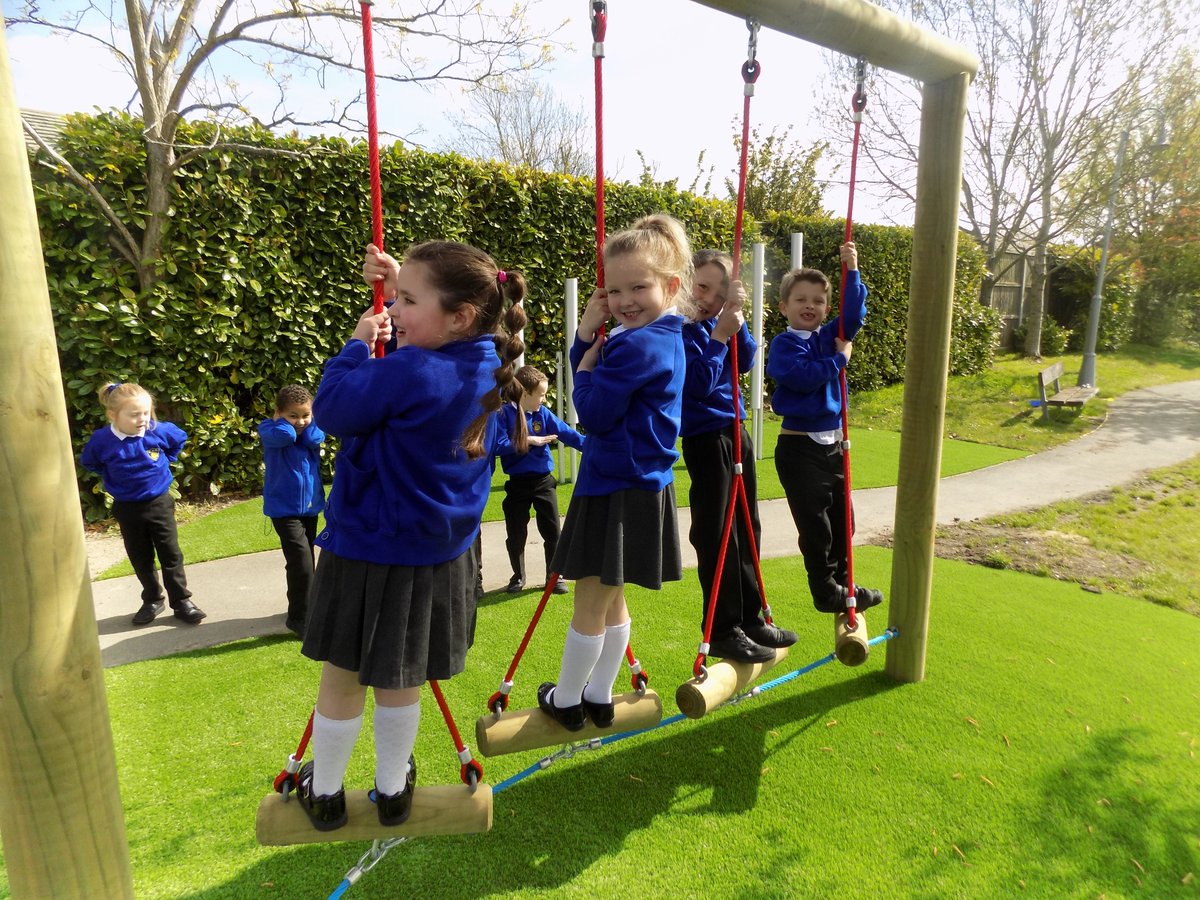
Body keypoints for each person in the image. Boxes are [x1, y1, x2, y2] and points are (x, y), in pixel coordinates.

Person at [295, 240, 526, 832]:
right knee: (400, 678)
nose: (394, 310)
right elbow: (438, 340)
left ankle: (324, 791)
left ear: (460, 314)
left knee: (343, 674)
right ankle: (393, 786)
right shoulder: (492, 364)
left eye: (406, 301)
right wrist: (409, 290)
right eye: (395, 299)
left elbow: (333, 410)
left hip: (368, 547)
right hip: (437, 554)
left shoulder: (405, 368)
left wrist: (354, 343)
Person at [537, 214, 691, 732]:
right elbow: (606, 374)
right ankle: (600, 693)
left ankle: (565, 699)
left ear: (670, 286)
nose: (625, 300)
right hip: (644, 485)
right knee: (614, 593)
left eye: (639, 287)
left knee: (589, 598)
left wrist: (581, 372)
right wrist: (585, 334)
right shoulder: (665, 336)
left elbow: (595, 412)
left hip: (612, 485)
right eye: (615, 289)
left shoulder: (635, 343)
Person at [681, 250, 797, 664]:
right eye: (701, 286)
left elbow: (745, 361)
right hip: (705, 437)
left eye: (718, 291)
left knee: (748, 525)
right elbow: (694, 385)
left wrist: (735, 320)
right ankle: (723, 627)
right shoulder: (678, 329)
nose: (707, 298)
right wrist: (716, 339)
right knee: (718, 531)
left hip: (736, 430)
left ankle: (750, 615)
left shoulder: (720, 320)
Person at [767, 241, 884, 616]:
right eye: (800, 300)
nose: (809, 306)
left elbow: (855, 315)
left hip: (833, 447)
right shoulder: (786, 345)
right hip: (801, 451)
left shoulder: (827, 334)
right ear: (784, 307)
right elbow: (801, 378)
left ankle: (844, 585)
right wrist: (839, 358)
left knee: (843, 522)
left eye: (817, 301)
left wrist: (852, 271)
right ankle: (824, 589)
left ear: (825, 309)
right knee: (816, 528)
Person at [80, 382, 206, 626]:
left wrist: (167, 459)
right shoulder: (102, 440)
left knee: (170, 555)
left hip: (159, 503)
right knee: (140, 557)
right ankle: (152, 599)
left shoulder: (157, 431)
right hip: (127, 507)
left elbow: (179, 439)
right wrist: (112, 477)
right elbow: (91, 462)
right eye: (134, 414)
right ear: (113, 415)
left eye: (146, 413)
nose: (142, 419)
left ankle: (181, 601)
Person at [497, 365, 585, 595]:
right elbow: (498, 445)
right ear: (525, 393)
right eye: (541, 394)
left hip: (543, 482)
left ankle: (554, 577)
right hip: (517, 483)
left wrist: (595, 448)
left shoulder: (543, 415)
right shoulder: (504, 415)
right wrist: (530, 441)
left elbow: (568, 433)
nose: (544, 400)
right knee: (516, 533)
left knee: (553, 531)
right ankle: (518, 576)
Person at [258, 384, 326, 638]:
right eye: (292, 416)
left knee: (304, 560)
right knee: (301, 562)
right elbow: (284, 437)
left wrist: (308, 424)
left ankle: (304, 607)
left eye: (305, 415)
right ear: (278, 413)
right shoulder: (269, 429)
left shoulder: (311, 429)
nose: (300, 422)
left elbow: (314, 437)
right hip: (283, 510)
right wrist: (283, 424)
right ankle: (300, 619)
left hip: (309, 508)